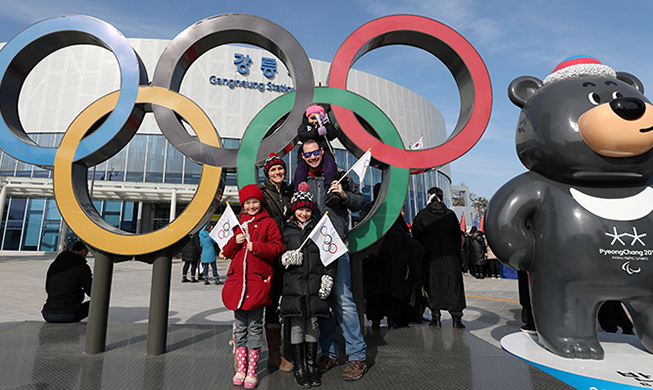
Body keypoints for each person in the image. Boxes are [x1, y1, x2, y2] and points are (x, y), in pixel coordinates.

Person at [298, 138, 368, 381]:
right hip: (311, 250)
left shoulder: (340, 175)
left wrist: (345, 195)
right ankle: (329, 352)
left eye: (315, 152)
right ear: (303, 157)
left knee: (343, 301)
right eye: (307, 154)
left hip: (335, 247)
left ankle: (357, 356)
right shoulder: (300, 181)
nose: (312, 157)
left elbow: (361, 202)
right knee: (321, 305)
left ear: (322, 151)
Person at [221, 184, 285, 388]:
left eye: (255, 202)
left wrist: (254, 246)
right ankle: (240, 368)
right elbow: (227, 252)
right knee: (239, 328)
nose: (251, 206)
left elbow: (277, 248)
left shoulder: (269, 224)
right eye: (247, 203)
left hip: (257, 284)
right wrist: (235, 241)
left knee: (255, 328)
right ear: (243, 205)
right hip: (238, 285)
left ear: (260, 202)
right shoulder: (237, 224)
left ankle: (252, 371)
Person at [280, 183, 336, 387]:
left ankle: (311, 366)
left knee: (312, 325)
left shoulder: (320, 229)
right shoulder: (287, 230)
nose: (303, 213)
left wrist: (328, 277)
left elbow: (330, 257)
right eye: (300, 208)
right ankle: (300, 367)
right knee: (296, 326)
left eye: (307, 209)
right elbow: (278, 255)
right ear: (294, 209)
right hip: (293, 287)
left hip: (314, 286)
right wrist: (285, 258)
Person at [412, 187, 467, 329]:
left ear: (429, 196)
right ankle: (457, 319)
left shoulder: (423, 214)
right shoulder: (450, 215)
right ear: (442, 197)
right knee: (453, 286)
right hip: (451, 257)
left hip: (431, 257)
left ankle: (435, 318)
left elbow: (416, 233)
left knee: (432, 285)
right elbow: (457, 236)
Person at [259, 152, 294, 372]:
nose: (278, 172)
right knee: (269, 301)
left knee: (284, 299)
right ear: (267, 173)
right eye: (273, 170)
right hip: (271, 253)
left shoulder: (290, 192)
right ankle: (273, 354)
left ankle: (282, 347)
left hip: (289, 253)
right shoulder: (263, 194)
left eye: (280, 168)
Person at [41, 241, 92, 323]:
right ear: (83, 251)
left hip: (48, 313)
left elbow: (48, 289)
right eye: (86, 253)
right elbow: (92, 292)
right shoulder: (81, 267)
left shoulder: (55, 265)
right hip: (68, 314)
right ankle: (95, 332)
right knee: (98, 303)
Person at [293, 104, 338, 192]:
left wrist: (326, 124)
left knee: (330, 166)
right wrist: (316, 132)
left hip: (324, 152)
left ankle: (330, 187)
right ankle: (298, 191)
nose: (315, 121)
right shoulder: (305, 126)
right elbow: (302, 135)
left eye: (318, 118)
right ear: (307, 118)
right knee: (300, 171)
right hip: (307, 155)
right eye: (312, 118)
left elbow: (333, 134)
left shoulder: (325, 125)